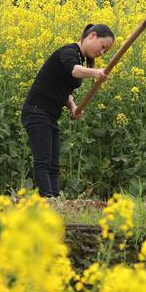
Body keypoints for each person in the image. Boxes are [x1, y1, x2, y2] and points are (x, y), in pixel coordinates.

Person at [21, 23, 115, 198]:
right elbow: (74, 71)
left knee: (54, 165)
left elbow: (65, 93)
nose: (102, 53)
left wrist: (73, 107)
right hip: (36, 110)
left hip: (49, 114)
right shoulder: (69, 52)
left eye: (106, 51)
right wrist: (96, 72)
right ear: (92, 36)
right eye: (103, 47)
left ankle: (55, 200)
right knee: (43, 161)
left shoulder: (79, 59)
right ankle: (47, 200)